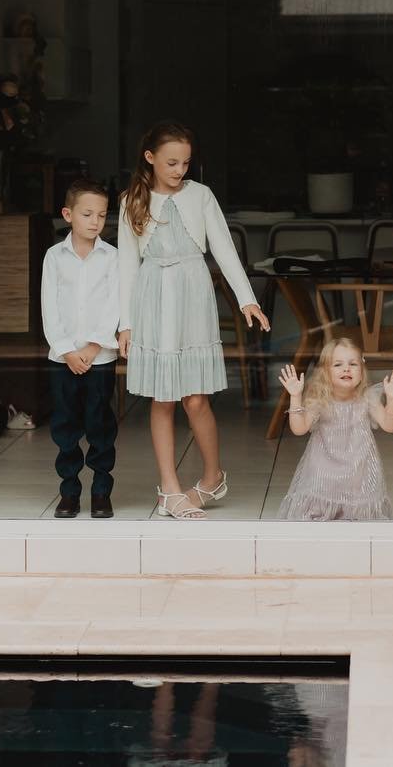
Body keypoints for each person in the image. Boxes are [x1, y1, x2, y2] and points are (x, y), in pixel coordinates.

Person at [117, 121, 270, 521]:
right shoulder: (131, 200)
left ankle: (212, 475)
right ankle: (169, 488)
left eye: (185, 162)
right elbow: (126, 265)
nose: (179, 169)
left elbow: (223, 246)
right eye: (171, 162)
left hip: (193, 290)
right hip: (153, 294)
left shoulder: (201, 196)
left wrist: (246, 299)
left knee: (196, 397)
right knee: (162, 397)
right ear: (149, 158)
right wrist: (126, 323)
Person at [40, 178, 121, 519]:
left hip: (99, 357)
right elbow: (49, 305)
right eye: (87, 214)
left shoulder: (112, 257)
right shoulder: (54, 257)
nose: (95, 221)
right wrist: (66, 349)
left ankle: (101, 492)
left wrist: (93, 346)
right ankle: (69, 491)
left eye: (101, 215)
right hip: (64, 358)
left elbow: (115, 303)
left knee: (100, 427)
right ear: (67, 214)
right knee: (66, 427)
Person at [276, 339, 393, 521]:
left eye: (353, 364)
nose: (346, 369)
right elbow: (299, 429)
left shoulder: (368, 397)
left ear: (362, 371)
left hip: (357, 473)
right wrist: (295, 396)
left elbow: (390, 426)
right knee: (316, 516)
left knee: (359, 518)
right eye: (338, 365)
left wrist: (392, 399)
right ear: (325, 372)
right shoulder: (319, 399)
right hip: (324, 474)